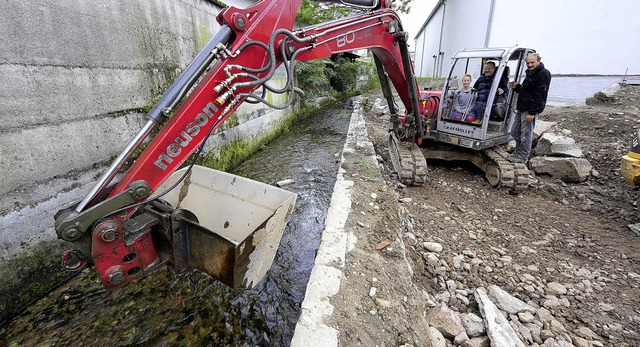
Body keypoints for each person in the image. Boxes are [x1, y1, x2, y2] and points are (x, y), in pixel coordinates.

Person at [507, 53, 552, 164]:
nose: (530, 64)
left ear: (539, 61)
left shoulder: (543, 73)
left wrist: (532, 112)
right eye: (528, 63)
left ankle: (522, 157)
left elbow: (540, 94)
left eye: (532, 62)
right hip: (522, 108)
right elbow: (527, 91)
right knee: (514, 132)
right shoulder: (531, 73)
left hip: (529, 110)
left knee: (526, 135)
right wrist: (517, 87)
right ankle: (519, 152)